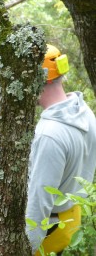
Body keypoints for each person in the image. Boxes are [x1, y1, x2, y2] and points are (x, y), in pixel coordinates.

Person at [26, 44, 96, 255]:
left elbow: (40, 200)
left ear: (37, 79)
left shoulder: (49, 134)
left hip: (48, 231)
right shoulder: (85, 113)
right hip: (71, 219)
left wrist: (26, 247)